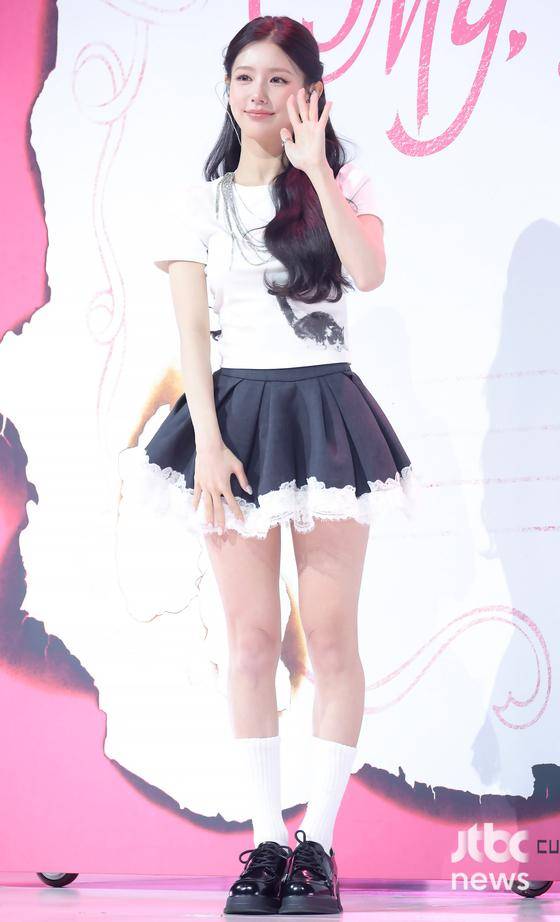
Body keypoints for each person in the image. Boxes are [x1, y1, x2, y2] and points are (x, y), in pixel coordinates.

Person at [118, 13, 417, 915]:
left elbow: (368, 273)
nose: (259, 93)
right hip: (237, 422)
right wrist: (208, 443)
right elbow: (193, 340)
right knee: (250, 643)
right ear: (226, 88)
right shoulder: (199, 204)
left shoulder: (344, 182)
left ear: (310, 93)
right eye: (245, 77)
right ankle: (265, 846)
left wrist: (317, 169)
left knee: (330, 642)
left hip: (326, 417)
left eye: (279, 78)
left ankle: (316, 846)